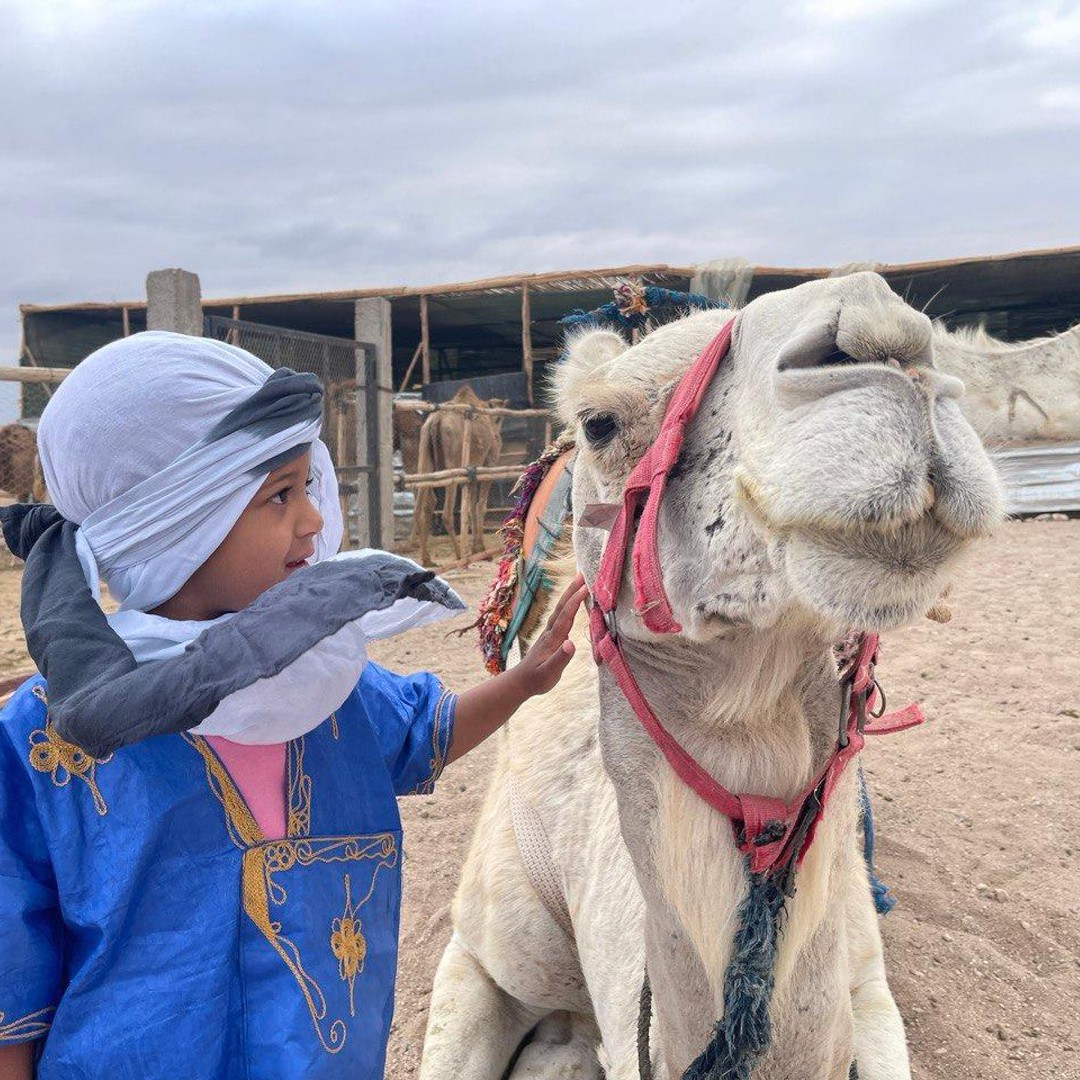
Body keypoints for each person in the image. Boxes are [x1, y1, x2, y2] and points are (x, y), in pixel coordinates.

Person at [0, 332, 587, 1080]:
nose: (312, 519)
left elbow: (428, 734)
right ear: (175, 528)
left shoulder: (326, 687)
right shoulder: (41, 744)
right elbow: (12, 975)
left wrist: (524, 682)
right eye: (280, 495)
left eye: (309, 486)